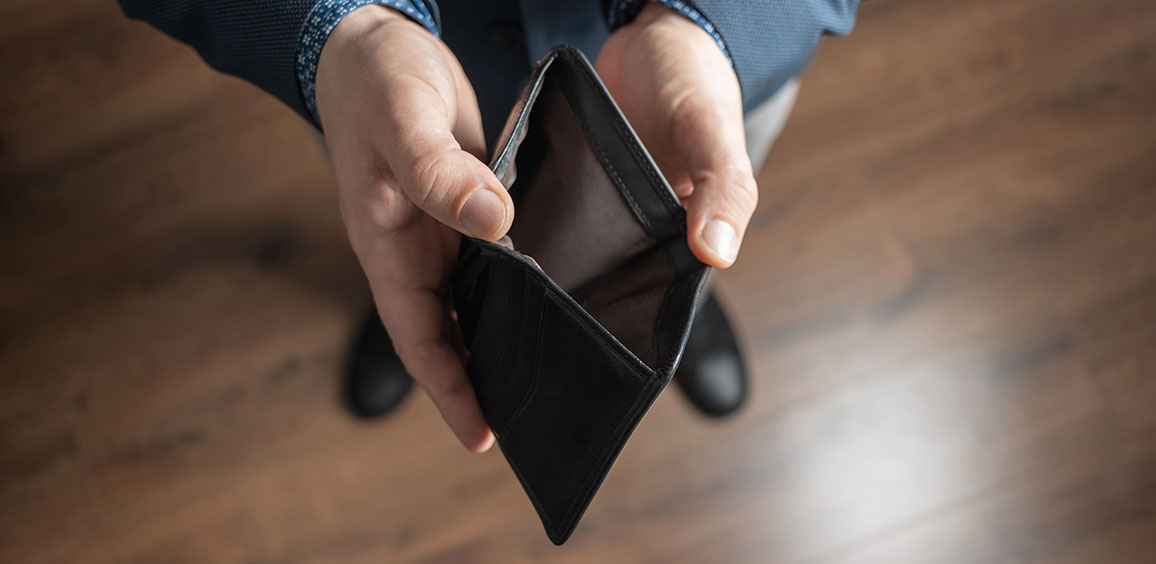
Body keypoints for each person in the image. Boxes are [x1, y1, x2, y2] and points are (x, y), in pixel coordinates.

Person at [119, 0, 860, 453]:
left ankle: (670, 306)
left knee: (694, 207)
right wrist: (337, 31)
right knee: (405, 212)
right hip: (392, 66)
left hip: (701, 65)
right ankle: (442, 296)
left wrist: (712, 24)